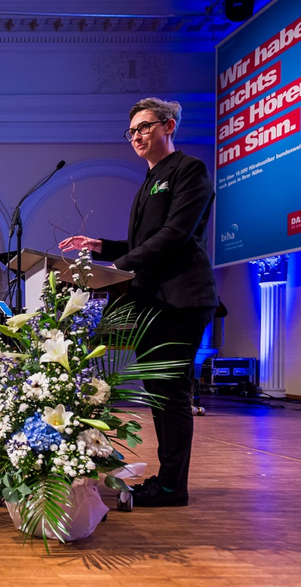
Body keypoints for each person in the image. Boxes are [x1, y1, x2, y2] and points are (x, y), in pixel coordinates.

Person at [59, 97, 218, 508]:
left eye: (144, 127)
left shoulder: (189, 170)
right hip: (154, 301)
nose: (136, 136)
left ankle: (172, 486)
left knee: (172, 394)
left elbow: (175, 235)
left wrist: (119, 266)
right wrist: (100, 247)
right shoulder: (150, 179)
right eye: (131, 131)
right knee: (159, 393)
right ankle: (167, 480)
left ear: (168, 126)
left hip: (181, 299)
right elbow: (146, 241)